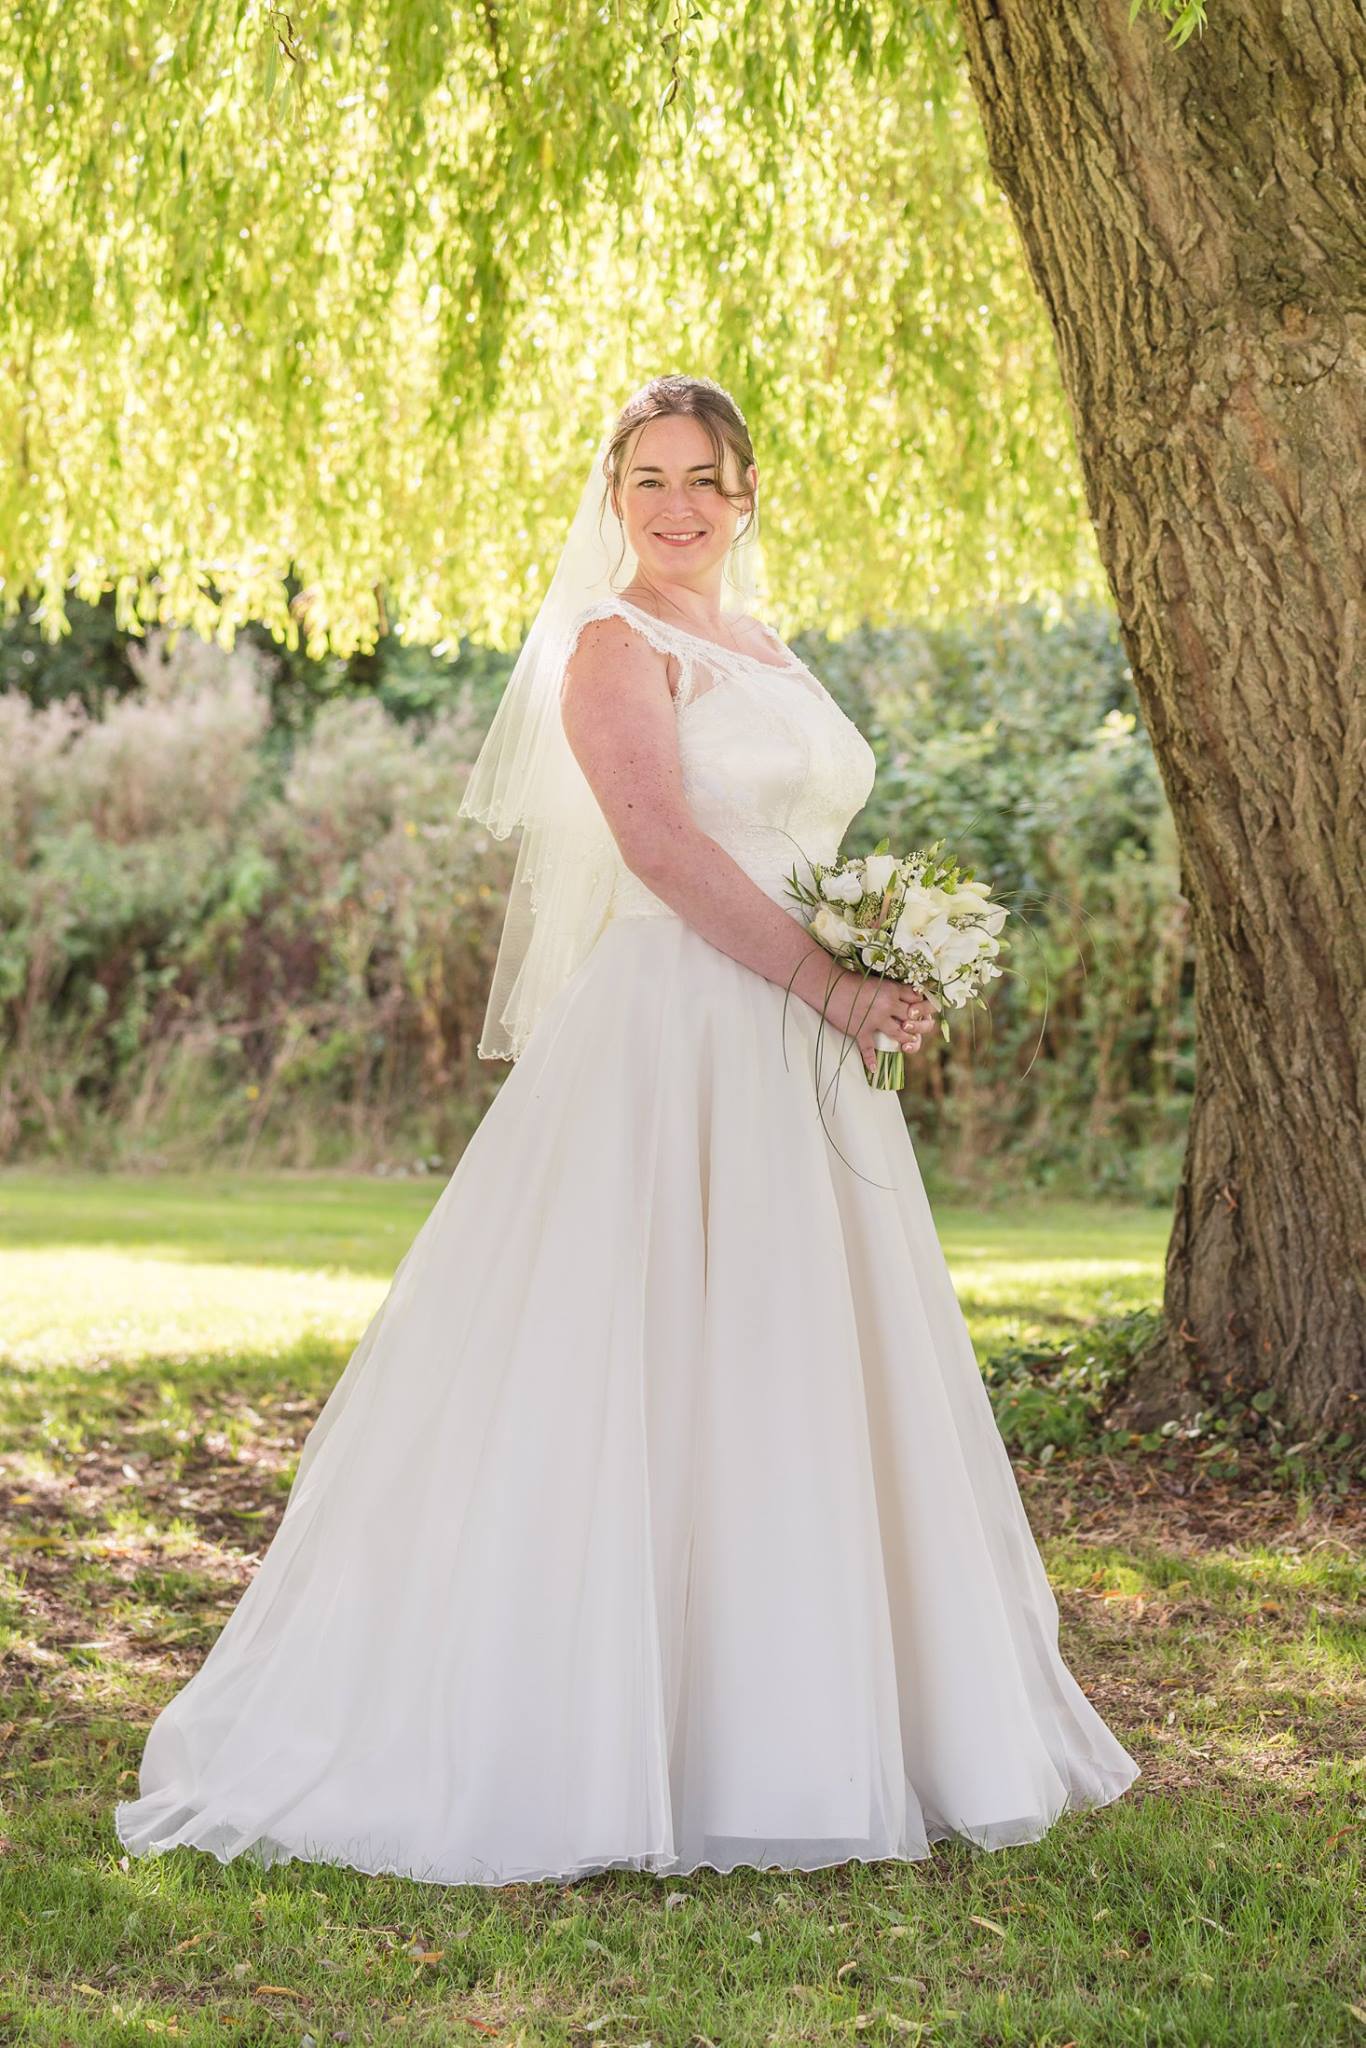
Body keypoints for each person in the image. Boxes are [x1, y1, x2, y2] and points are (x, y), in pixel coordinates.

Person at [113, 374, 1140, 1888]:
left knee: (791, 1366)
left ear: (745, 496)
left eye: (706, 479)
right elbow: (656, 841)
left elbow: (795, 840)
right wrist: (823, 973)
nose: (678, 504)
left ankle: (813, 1717)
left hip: (795, 1042)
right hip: (675, 1034)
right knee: (640, 1359)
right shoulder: (610, 646)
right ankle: (601, 1732)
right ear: (614, 495)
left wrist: (880, 967)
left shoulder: (767, 648)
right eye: (650, 477)